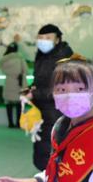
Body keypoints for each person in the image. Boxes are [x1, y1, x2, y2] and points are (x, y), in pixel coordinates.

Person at [28, 24, 73, 170]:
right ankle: (46, 176)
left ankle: (53, 177)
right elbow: (41, 81)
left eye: (48, 38)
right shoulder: (42, 56)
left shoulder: (64, 59)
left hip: (57, 111)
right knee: (42, 147)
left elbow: (63, 89)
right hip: (41, 110)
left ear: (57, 40)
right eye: (40, 38)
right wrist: (32, 89)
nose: (43, 41)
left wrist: (35, 93)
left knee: (53, 147)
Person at [0, 42, 28, 128]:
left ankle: (10, 123)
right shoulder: (20, 58)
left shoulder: (4, 60)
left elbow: (3, 71)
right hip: (18, 83)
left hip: (9, 82)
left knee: (9, 103)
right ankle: (18, 123)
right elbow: (25, 70)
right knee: (19, 104)